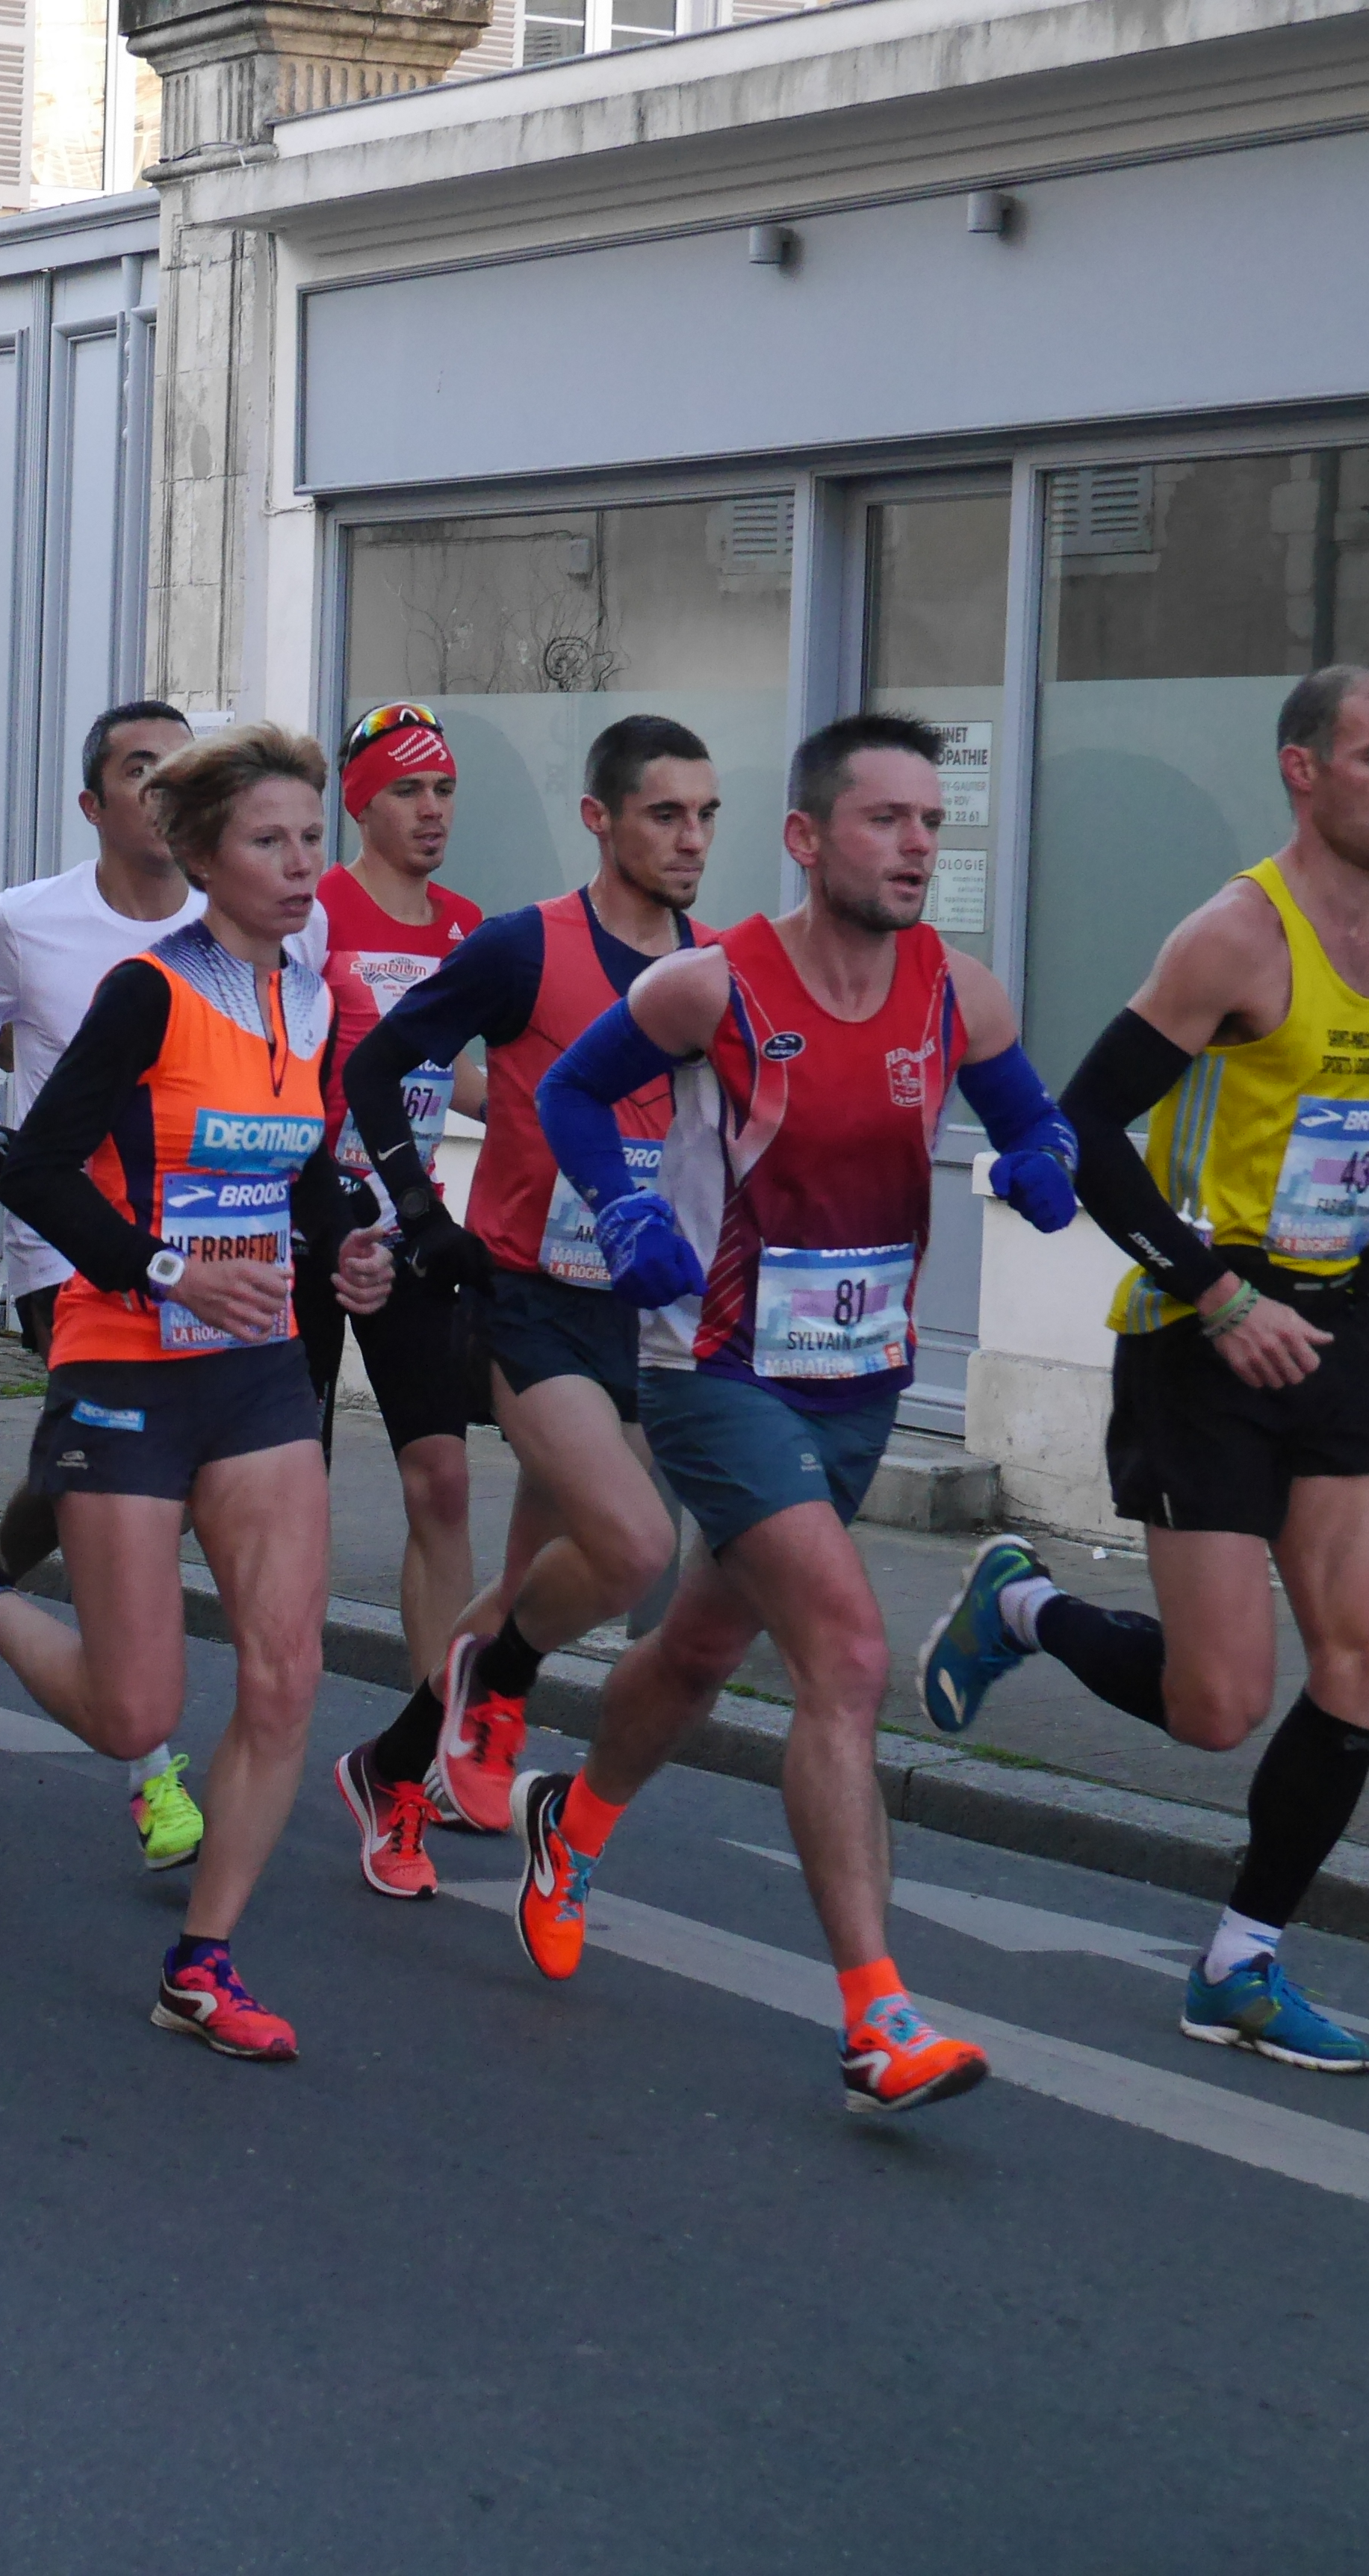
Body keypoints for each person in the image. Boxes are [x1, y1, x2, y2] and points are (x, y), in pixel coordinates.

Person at [917, 667, 1369, 2076]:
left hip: (1341, 1337)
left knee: (1367, 1654)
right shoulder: (1231, 938)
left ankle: (1240, 1959)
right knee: (1213, 1707)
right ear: (1301, 770)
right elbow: (1080, 1124)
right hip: (1199, 1341)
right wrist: (1213, 1286)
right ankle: (1020, 1606)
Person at [520, 711, 1081, 2115]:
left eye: (931, 823)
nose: (914, 847)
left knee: (705, 1643)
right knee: (843, 1652)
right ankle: (873, 2013)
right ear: (806, 837)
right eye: (885, 820)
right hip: (714, 1367)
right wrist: (629, 1202)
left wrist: (1046, 1160)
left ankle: (567, 1820)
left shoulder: (960, 993)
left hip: (862, 1378)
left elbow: (1030, 1117)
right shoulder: (714, 987)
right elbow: (576, 1094)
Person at [0, 722, 394, 2062]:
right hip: (121, 1352)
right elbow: (34, 1170)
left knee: (286, 1676)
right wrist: (163, 1265)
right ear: (201, 856)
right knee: (135, 1712)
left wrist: (343, 1234)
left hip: (257, 1370)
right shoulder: (143, 993)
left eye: (308, 838)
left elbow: (302, 1162)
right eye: (267, 842)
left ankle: (202, 1960)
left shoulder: (313, 996)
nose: (299, 866)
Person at [325, 713, 709, 1895]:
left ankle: (392, 1767)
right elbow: (378, 1066)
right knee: (636, 1545)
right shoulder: (522, 947)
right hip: (523, 1298)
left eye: (706, 816)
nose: (690, 839)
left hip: (640, 1310)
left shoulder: (716, 970)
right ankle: (492, 1699)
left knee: (536, 1581)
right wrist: (417, 1207)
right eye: (663, 814)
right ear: (599, 820)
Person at [0, 698, 215, 1862]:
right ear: (95, 803)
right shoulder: (31, 921)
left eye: (184, 770)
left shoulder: (236, 925)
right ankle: (150, 1767)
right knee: (127, 1477)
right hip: (69, 1244)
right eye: (141, 770)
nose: (165, 788)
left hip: (206, 1249)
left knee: (82, 1462)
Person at [299, 704, 483, 1691]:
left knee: (444, 1481)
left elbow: (456, 1078)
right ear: (361, 804)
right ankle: (273, 1704)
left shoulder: (467, 929)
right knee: (295, 1493)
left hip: (412, 1225)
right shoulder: (317, 910)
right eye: (407, 791)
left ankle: (440, 1726)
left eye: (444, 789)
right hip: (310, 1229)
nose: (430, 810)